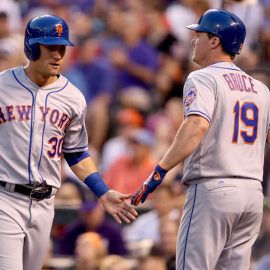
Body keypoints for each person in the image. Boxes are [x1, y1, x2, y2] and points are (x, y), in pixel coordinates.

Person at [131, 9, 270, 270]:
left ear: (215, 40)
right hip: (252, 193)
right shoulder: (260, 88)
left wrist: (159, 170)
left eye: (199, 34)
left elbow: (196, 125)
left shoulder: (202, 77)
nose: (194, 40)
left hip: (214, 188)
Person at [0, 14, 137, 270]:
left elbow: (76, 153)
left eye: (62, 47)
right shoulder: (2, 85)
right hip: (5, 198)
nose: (58, 54)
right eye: (50, 46)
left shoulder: (73, 97)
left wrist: (103, 191)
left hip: (45, 203)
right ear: (31, 47)